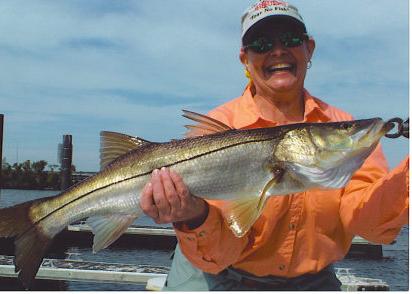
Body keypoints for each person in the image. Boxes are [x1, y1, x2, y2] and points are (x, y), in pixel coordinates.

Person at [140, 0, 409, 291]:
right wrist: (192, 216)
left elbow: (372, 227)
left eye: (292, 39)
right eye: (261, 43)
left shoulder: (342, 122)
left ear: (309, 49)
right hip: (218, 274)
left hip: (314, 282)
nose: (278, 50)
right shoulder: (218, 126)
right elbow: (217, 256)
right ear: (245, 58)